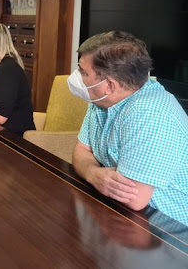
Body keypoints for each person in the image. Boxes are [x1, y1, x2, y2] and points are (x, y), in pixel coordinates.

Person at [71, 31, 188, 226]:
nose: (78, 78)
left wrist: (92, 171)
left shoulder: (149, 113)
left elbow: (133, 198)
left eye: (83, 72)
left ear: (109, 85)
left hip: (169, 232)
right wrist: (93, 173)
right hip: (123, 215)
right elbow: (80, 151)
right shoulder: (100, 100)